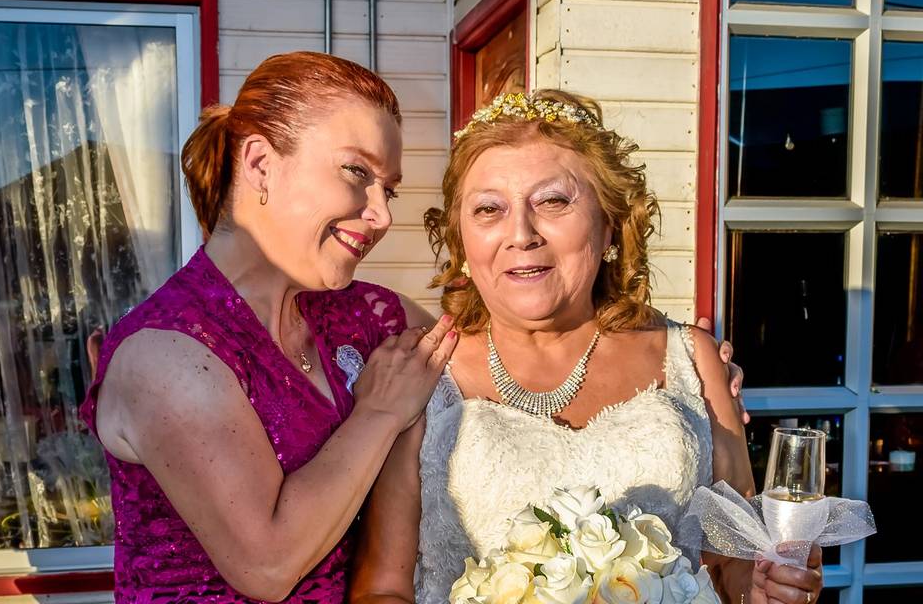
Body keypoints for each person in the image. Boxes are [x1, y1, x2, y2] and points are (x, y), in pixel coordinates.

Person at [349, 91, 823, 604]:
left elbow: (734, 563)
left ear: (610, 224)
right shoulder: (418, 373)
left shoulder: (693, 359)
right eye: (489, 209)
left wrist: (768, 587)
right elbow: (381, 589)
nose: (520, 234)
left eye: (552, 201)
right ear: (463, 241)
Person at [79, 52, 458, 603]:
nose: (381, 214)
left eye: (389, 188)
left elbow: (486, 352)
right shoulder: (165, 353)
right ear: (259, 163)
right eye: (358, 173)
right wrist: (377, 414)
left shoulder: (361, 314)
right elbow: (267, 564)